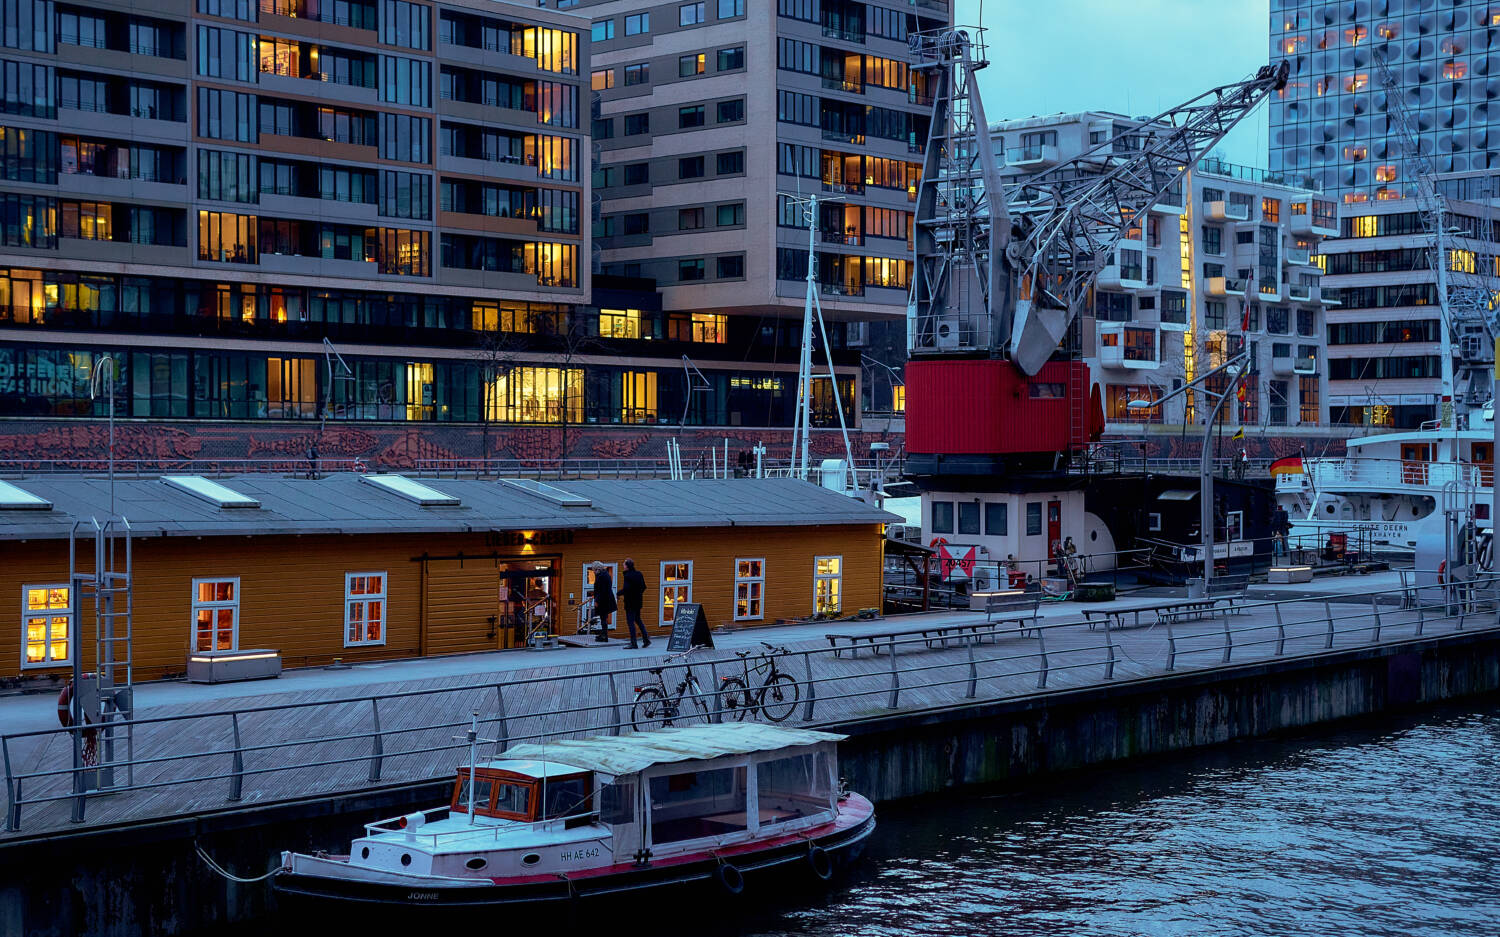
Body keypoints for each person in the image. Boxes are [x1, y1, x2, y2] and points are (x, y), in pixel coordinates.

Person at [617, 558, 649, 649]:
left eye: (624, 564)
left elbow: (626, 589)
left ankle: (633, 643)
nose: (623, 566)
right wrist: (638, 594)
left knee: (631, 622)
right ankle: (646, 639)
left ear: (627, 566)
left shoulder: (628, 576)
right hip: (638, 601)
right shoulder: (639, 574)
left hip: (630, 602)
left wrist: (618, 593)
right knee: (638, 620)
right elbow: (643, 587)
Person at [591, 563, 616, 643]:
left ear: (597, 569)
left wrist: (597, 600)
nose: (593, 572)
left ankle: (604, 636)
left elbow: (601, 590)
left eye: (594, 570)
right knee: (603, 618)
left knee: (603, 618)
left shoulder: (601, 576)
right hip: (606, 599)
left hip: (603, 600)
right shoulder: (606, 574)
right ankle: (603, 634)